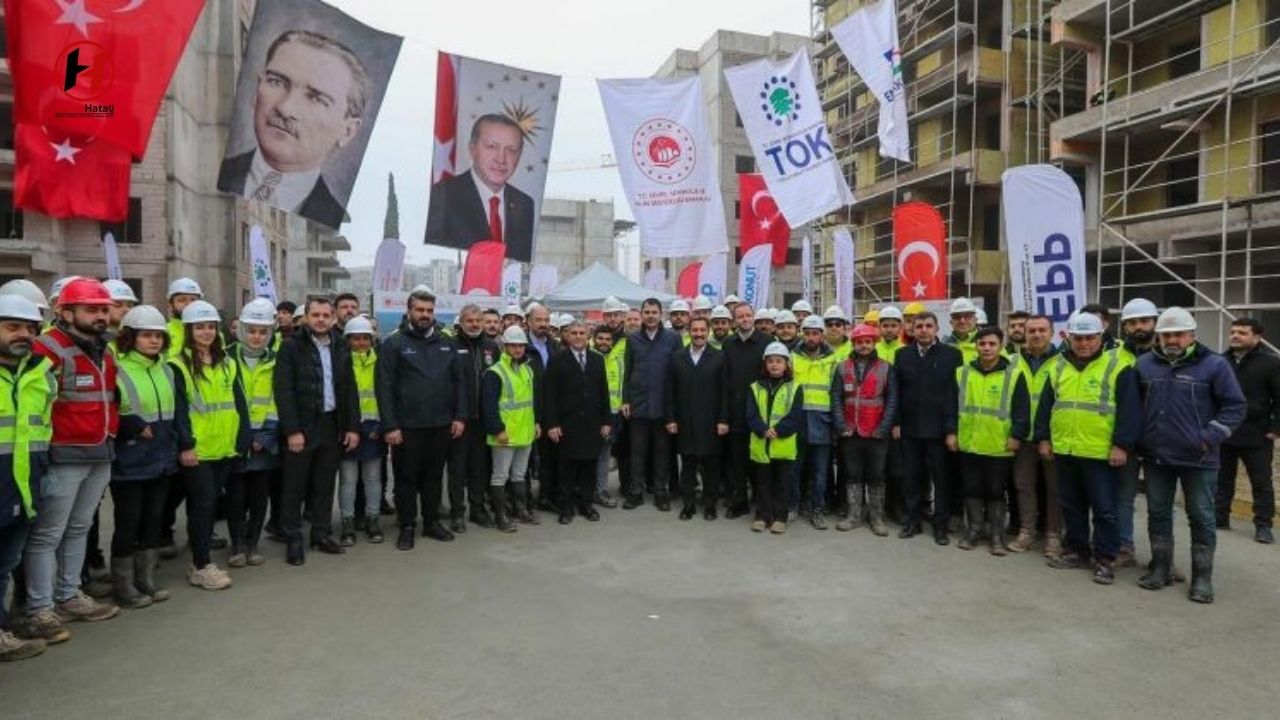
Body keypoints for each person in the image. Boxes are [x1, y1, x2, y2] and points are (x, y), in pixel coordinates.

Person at [21, 279, 120, 645]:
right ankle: (39, 608)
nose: (99, 316)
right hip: (63, 454)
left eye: (103, 309)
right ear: (65, 312)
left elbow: (110, 398)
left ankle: (68, 595)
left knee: (78, 529)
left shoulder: (104, 350)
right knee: (47, 534)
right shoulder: (48, 348)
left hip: (99, 452)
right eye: (91, 309)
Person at [1134, 308, 1245, 603]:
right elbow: (1136, 406)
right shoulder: (1144, 365)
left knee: (1201, 516)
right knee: (1158, 512)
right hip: (1157, 456)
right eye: (1166, 334)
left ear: (1191, 335)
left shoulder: (1214, 365)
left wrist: (1209, 438)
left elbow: (1235, 406)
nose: (1172, 339)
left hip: (1199, 458)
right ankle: (1161, 569)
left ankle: (1202, 579)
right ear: (1158, 336)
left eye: (1178, 334)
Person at [217, 30, 371, 227]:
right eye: (276, 82)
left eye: (316, 98)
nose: (285, 108)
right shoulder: (215, 172)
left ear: (347, 131)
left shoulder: (336, 219)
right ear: (257, 91)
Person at [1035, 312, 1142, 585]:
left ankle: (1105, 558)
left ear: (1100, 337)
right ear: (1069, 338)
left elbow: (1130, 412)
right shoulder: (1057, 367)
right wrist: (1044, 439)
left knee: (1105, 508)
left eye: (1090, 338)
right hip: (1066, 450)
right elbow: (1046, 407)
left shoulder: (1118, 367)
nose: (1084, 344)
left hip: (1100, 453)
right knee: (1071, 505)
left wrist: (1122, 446)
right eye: (1078, 338)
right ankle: (1077, 550)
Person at [109, 305, 186, 610]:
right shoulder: (117, 367)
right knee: (128, 521)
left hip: (162, 456)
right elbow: (108, 410)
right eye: (146, 335)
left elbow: (177, 410)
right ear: (131, 337)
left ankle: (146, 579)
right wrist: (129, 424)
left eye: (158, 335)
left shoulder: (166, 368)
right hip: (129, 459)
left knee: (154, 519)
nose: (153, 341)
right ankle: (124, 586)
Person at [376, 289, 465, 551]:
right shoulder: (394, 344)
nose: (425, 315)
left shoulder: (447, 342)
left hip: (440, 424)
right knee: (406, 478)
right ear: (409, 311)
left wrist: (459, 416)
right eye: (420, 310)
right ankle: (407, 526)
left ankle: (431, 522)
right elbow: (384, 387)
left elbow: (458, 382)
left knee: (434, 477)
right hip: (407, 427)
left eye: (429, 311)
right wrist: (390, 425)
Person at [275, 297, 361, 564]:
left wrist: (352, 427)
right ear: (306, 318)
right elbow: (283, 390)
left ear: (333, 318)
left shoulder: (340, 346)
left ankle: (321, 534)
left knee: (324, 484)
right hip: (302, 426)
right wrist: (292, 431)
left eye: (326, 315)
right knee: (294, 487)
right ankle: (293, 538)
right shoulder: (291, 347)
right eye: (316, 315)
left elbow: (349, 390)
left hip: (331, 424)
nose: (321, 320)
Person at [170, 300, 249, 590]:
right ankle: (201, 565)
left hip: (224, 447)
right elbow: (178, 410)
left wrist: (243, 437)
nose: (206, 332)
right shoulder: (177, 365)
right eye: (199, 327)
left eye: (210, 327)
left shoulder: (228, 362)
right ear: (188, 330)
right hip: (198, 449)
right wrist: (186, 445)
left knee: (210, 503)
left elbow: (238, 402)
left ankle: (200, 557)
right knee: (203, 504)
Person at [0, 295, 55, 661]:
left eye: (30, 329)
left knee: (4, 565)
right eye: (13, 327)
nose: (23, 334)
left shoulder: (39, 374)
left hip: (23, 487)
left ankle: (3, 631)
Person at [947, 327, 1031, 555]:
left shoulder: (1014, 374)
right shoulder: (962, 373)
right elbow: (951, 407)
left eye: (992, 344)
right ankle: (973, 529)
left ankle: (996, 534)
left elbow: (1022, 410)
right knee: (971, 488)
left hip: (999, 445)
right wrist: (951, 432)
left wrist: (1016, 435)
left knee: (995, 490)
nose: (986, 348)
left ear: (1001, 346)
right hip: (969, 442)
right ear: (976, 346)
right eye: (982, 343)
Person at [425, 114, 537, 262]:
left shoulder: (525, 204)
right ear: (472, 149)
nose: (501, 159)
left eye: (511, 150)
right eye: (492, 147)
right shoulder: (442, 197)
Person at [893, 311, 962, 544]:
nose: (923, 329)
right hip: (910, 429)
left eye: (928, 326)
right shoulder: (902, 355)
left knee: (942, 480)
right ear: (912, 329)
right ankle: (913, 521)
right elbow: (897, 393)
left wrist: (952, 429)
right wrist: (897, 423)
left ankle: (940, 525)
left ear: (936, 329)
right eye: (919, 325)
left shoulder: (952, 355)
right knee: (911, 478)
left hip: (939, 430)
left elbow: (954, 395)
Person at [1215, 317, 1280, 544]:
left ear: (1257, 337)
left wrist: (1275, 428)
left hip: (1257, 434)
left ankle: (1263, 526)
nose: (1235, 336)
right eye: (1233, 331)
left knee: (1261, 483)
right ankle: (1219, 518)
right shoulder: (1220, 361)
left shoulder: (1270, 363)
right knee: (1222, 478)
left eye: (1242, 332)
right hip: (1225, 432)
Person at [227, 299, 280, 566]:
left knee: (259, 496)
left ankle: (252, 545)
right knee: (236, 496)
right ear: (242, 330)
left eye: (263, 332)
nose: (257, 337)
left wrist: (264, 438)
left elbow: (277, 403)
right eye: (252, 330)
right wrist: (242, 437)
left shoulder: (277, 361)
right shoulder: (224, 358)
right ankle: (236, 546)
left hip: (264, 442)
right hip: (235, 441)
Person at [543, 321, 611, 525]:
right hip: (567, 425)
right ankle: (566, 507)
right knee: (567, 469)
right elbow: (550, 396)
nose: (579, 336)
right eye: (574, 333)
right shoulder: (557, 360)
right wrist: (552, 424)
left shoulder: (597, 360)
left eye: (582, 333)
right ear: (567, 336)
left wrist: (606, 420)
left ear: (588, 334)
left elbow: (604, 392)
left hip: (592, 424)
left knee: (588, 467)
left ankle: (586, 505)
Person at [832, 322, 897, 535]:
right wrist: (841, 426)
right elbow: (836, 400)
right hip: (851, 431)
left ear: (874, 343)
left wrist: (884, 427)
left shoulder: (886, 367)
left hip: (877, 432)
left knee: (877, 475)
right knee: (852, 474)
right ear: (854, 344)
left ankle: (877, 518)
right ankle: (854, 516)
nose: (864, 346)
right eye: (859, 342)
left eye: (868, 341)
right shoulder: (842, 367)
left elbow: (892, 400)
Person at [665, 317, 729, 520]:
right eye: (695, 330)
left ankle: (710, 506)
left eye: (702, 330)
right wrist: (671, 419)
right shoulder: (677, 357)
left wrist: (723, 420)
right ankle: (689, 505)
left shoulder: (719, 357)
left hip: (711, 422)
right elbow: (670, 392)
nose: (699, 334)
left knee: (711, 468)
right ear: (689, 332)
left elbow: (724, 392)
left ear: (708, 332)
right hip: (685, 422)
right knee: (688, 467)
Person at [1009, 315, 1063, 556]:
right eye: (1031, 331)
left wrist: (1048, 436)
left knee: (1054, 488)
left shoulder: (1063, 363)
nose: (1037, 335)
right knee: (1024, 486)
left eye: (1042, 330)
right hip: (1022, 436)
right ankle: (1027, 531)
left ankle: (1053, 535)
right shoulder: (1012, 361)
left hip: (1052, 437)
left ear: (1051, 333)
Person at [1112, 297, 1160, 565]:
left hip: (1160, 438)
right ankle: (1124, 547)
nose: (1138, 326)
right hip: (1126, 439)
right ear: (1124, 327)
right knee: (1124, 496)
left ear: (1155, 322)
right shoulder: (1116, 355)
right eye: (1131, 323)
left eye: (1144, 321)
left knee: (1160, 503)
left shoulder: (1168, 353)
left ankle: (1161, 556)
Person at [621, 299, 681, 510]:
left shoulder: (673, 339)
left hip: (663, 406)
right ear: (642, 314)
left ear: (661, 313)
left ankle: (661, 492)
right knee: (637, 452)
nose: (650, 316)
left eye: (654, 312)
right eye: (647, 312)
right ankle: (636, 491)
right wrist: (626, 399)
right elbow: (627, 372)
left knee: (662, 452)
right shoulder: (633, 338)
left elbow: (677, 374)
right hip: (638, 405)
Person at [482, 327, 541, 531]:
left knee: (519, 474)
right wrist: (498, 430)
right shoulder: (495, 372)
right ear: (505, 346)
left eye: (521, 345)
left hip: (524, 433)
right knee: (500, 476)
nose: (517, 349)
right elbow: (488, 406)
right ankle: (500, 517)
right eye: (513, 345)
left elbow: (531, 402)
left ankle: (521, 511)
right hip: (504, 435)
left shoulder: (527, 370)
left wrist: (536, 424)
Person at [448, 304, 500, 533]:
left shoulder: (491, 347)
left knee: (479, 468)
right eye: (470, 320)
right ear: (461, 322)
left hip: (483, 421)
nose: (475, 324)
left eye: (478, 320)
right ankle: (457, 513)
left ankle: (478, 509)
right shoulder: (449, 346)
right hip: (459, 420)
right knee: (457, 470)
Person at [746, 342, 804, 534]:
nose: (775, 365)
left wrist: (778, 430)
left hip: (783, 444)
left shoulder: (795, 388)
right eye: (770, 361)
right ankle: (763, 516)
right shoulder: (755, 387)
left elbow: (795, 416)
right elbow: (751, 415)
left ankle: (780, 517)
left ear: (786, 364)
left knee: (782, 484)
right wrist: (763, 430)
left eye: (779, 361)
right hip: (761, 444)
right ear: (765, 364)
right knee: (762, 483)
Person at [337, 316, 385, 546]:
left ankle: (372, 521)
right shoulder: (340, 363)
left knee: (373, 479)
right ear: (348, 340)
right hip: (350, 430)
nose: (361, 342)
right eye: (356, 338)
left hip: (374, 428)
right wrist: (348, 428)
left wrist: (381, 426)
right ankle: (347, 524)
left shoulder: (381, 362)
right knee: (348, 479)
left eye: (366, 338)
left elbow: (387, 397)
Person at [722, 303, 770, 518]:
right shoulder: (728, 344)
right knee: (737, 461)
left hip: (760, 413)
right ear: (734, 320)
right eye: (740, 316)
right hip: (735, 412)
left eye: (748, 315)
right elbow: (724, 382)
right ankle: (739, 501)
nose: (744, 319)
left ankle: (761, 503)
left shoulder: (768, 343)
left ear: (754, 317)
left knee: (759, 462)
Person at [791, 315, 837, 528]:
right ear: (802, 333)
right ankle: (792, 506)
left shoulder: (833, 360)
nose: (811, 337)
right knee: (795, 469)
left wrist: (836, 425)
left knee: (820, 473)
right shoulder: (792, 357)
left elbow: (837, 395)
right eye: (807, 333)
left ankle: (817, 510)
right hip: (797, 422)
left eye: (815, 333)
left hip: (823, 423)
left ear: (822, 335)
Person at [593, 325, 622, 508]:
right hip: (590, 415)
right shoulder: (588, 358)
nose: (604, 342)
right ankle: (586, 490)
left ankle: (601, 490)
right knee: (587, 454)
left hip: (612, 414)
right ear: (594, 339)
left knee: (604, 455)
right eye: (600, 338)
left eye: (608, 339)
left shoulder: (618, 360)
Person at [165, 278, 203, 359]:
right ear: (170, 304)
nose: (189, 304)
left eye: (193, 300)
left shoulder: (214, 333)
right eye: (182, 300)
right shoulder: (163, 332)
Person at [944, 298, 979, 365]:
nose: (962, 321)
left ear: (975, 320)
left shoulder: (990, 345)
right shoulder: (943, 347)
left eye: (967, 316)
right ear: (951, 322)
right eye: (957, 317)